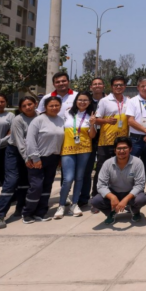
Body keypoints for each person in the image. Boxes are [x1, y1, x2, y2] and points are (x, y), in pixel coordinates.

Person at [0, 96, 38, 229]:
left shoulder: (40, 117)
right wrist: (27, 158)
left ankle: (21, 209)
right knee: (11, 181)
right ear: (20, 108)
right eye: (24, 106)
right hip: (15, 152)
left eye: (30, 104)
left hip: (31, 152)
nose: (28, 107)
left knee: (25, 182)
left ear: (35, 104)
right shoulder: (18, 120)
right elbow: (20, 142)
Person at [23, 96, 65, 224]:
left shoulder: (61, 120)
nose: (54, 108)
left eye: (57, 105)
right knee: (36, 186)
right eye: (51, 106)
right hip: (38, 158)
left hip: (53, 158)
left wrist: (59, 157)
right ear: (45, 107)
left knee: (47, 186)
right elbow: (30, 140)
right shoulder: (38, 120)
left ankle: (41, 212)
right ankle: (28, 213)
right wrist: (35, 158)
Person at [54, 91, 96, 219]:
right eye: (80, 100)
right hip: (68, 148)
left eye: (85, 100)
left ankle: (74, 203)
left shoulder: (91, 115)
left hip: (84, 149)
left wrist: (93, 124)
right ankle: (61, 204)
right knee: (68, 178)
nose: (82, 102)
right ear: (76, 101)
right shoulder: (67, 112)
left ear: (89, 102)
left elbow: (92, 136)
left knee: (79, 178)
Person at [92, 76, 130, 210]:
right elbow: (96, 120)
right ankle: (96, 197)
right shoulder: (104, 101)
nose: (118, 87)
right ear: (111, 87)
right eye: (115, 85)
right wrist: (107, 121)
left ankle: (119, 197)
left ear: (125, 86)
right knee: (102, 170)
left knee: (120, 170)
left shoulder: (128, 101)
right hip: (106, 141)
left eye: (121, 85)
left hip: (122, 143)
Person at [90, 136, 146, 224]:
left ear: (130, 149)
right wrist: (112, 197)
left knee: (141, 199)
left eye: (125, 148)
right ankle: (111, 213)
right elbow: (101, 186)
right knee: (95, 201)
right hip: (114, 192)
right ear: (115, 150)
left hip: (130, 193)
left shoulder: (137, 162)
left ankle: (134, 211)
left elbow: (140, 184)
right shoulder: (107, 163)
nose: (122, 151)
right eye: (119, 148)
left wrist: (125, 199)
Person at [80, 77, 106, 207]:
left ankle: (98, 195)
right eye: (94, 84)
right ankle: (84, 197)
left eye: (99, 84)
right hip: (88, 139)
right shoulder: (87, 102)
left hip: (105, 138)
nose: (97, 86)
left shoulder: (108, 100)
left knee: (102, 169)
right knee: (87, 169)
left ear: (103, 86)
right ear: (91, 87)